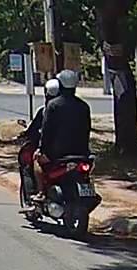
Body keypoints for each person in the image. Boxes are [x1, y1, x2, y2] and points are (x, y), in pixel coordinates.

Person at [34, 69, 92, 198]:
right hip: (81, 153)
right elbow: (87, 130)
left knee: (37, 161)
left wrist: (41, 150)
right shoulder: (84, 106)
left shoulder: (53, 105)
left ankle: (41, 192)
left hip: (58, 153)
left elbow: (47, 131)